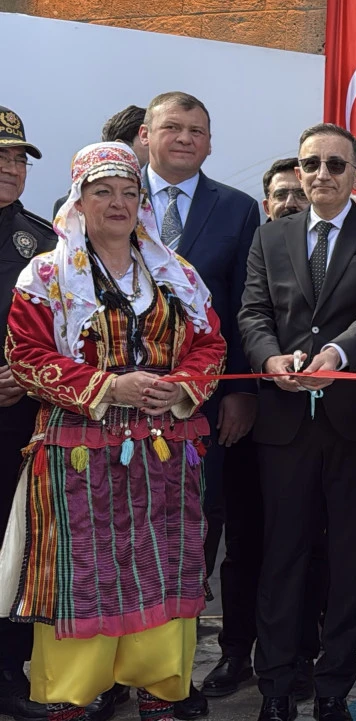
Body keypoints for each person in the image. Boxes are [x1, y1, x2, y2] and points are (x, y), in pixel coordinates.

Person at [2, 141, 226, 721]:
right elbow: (24, 353)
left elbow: (211, 343)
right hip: (77, 447)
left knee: (162, 559)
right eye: (104, 191)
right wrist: (109, 387)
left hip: (164, 450)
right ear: (80, 200)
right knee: (84, 568)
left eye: (130, 192)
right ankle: (74, 690)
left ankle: (160, 683)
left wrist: (180, 385)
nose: (119, 202)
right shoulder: (47, 273)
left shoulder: (176, 273)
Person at [239, 123, 356, 721]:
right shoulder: (271, 236)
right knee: (281, 557)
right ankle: (277, 688)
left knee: (349, 564)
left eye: (336, 165)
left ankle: (334, 688)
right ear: (301, 171)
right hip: (284, 423)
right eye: (313, 164)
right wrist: (269, 359)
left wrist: (337, 356)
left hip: (355, 426)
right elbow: (253, 313)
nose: (323, 175)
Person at [138, 90, 260, 717]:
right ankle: (108, 672)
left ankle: (172, 674)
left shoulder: (238, 209)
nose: (184, 138)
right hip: (113, 409)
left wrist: (238, 391)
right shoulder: (101, 201)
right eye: (172, 127)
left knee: (192, 535)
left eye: (197, 130)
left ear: (210, 143)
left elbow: (244, 310)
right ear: (145, 136)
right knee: (115, 534)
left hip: (201, 410)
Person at [201, 155, 324, 702]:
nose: (291, 203)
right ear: (266, 203)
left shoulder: (325, 255)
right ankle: (235, 651)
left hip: (311, 427)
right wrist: (243, 391)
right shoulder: (255, 252)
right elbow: (237, 320)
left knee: (304, 547)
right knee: (245, 542)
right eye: (280, 195)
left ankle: (299, 654)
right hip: (246, 421)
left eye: (298, 194)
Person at [0, 107, 56, 721]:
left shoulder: (42, 240)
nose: (12, 168)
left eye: (18, 157)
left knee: (15, 552)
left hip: (22, 421)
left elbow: (68, 336)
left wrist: (30, 374)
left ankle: (8, 676)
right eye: (0, 157)